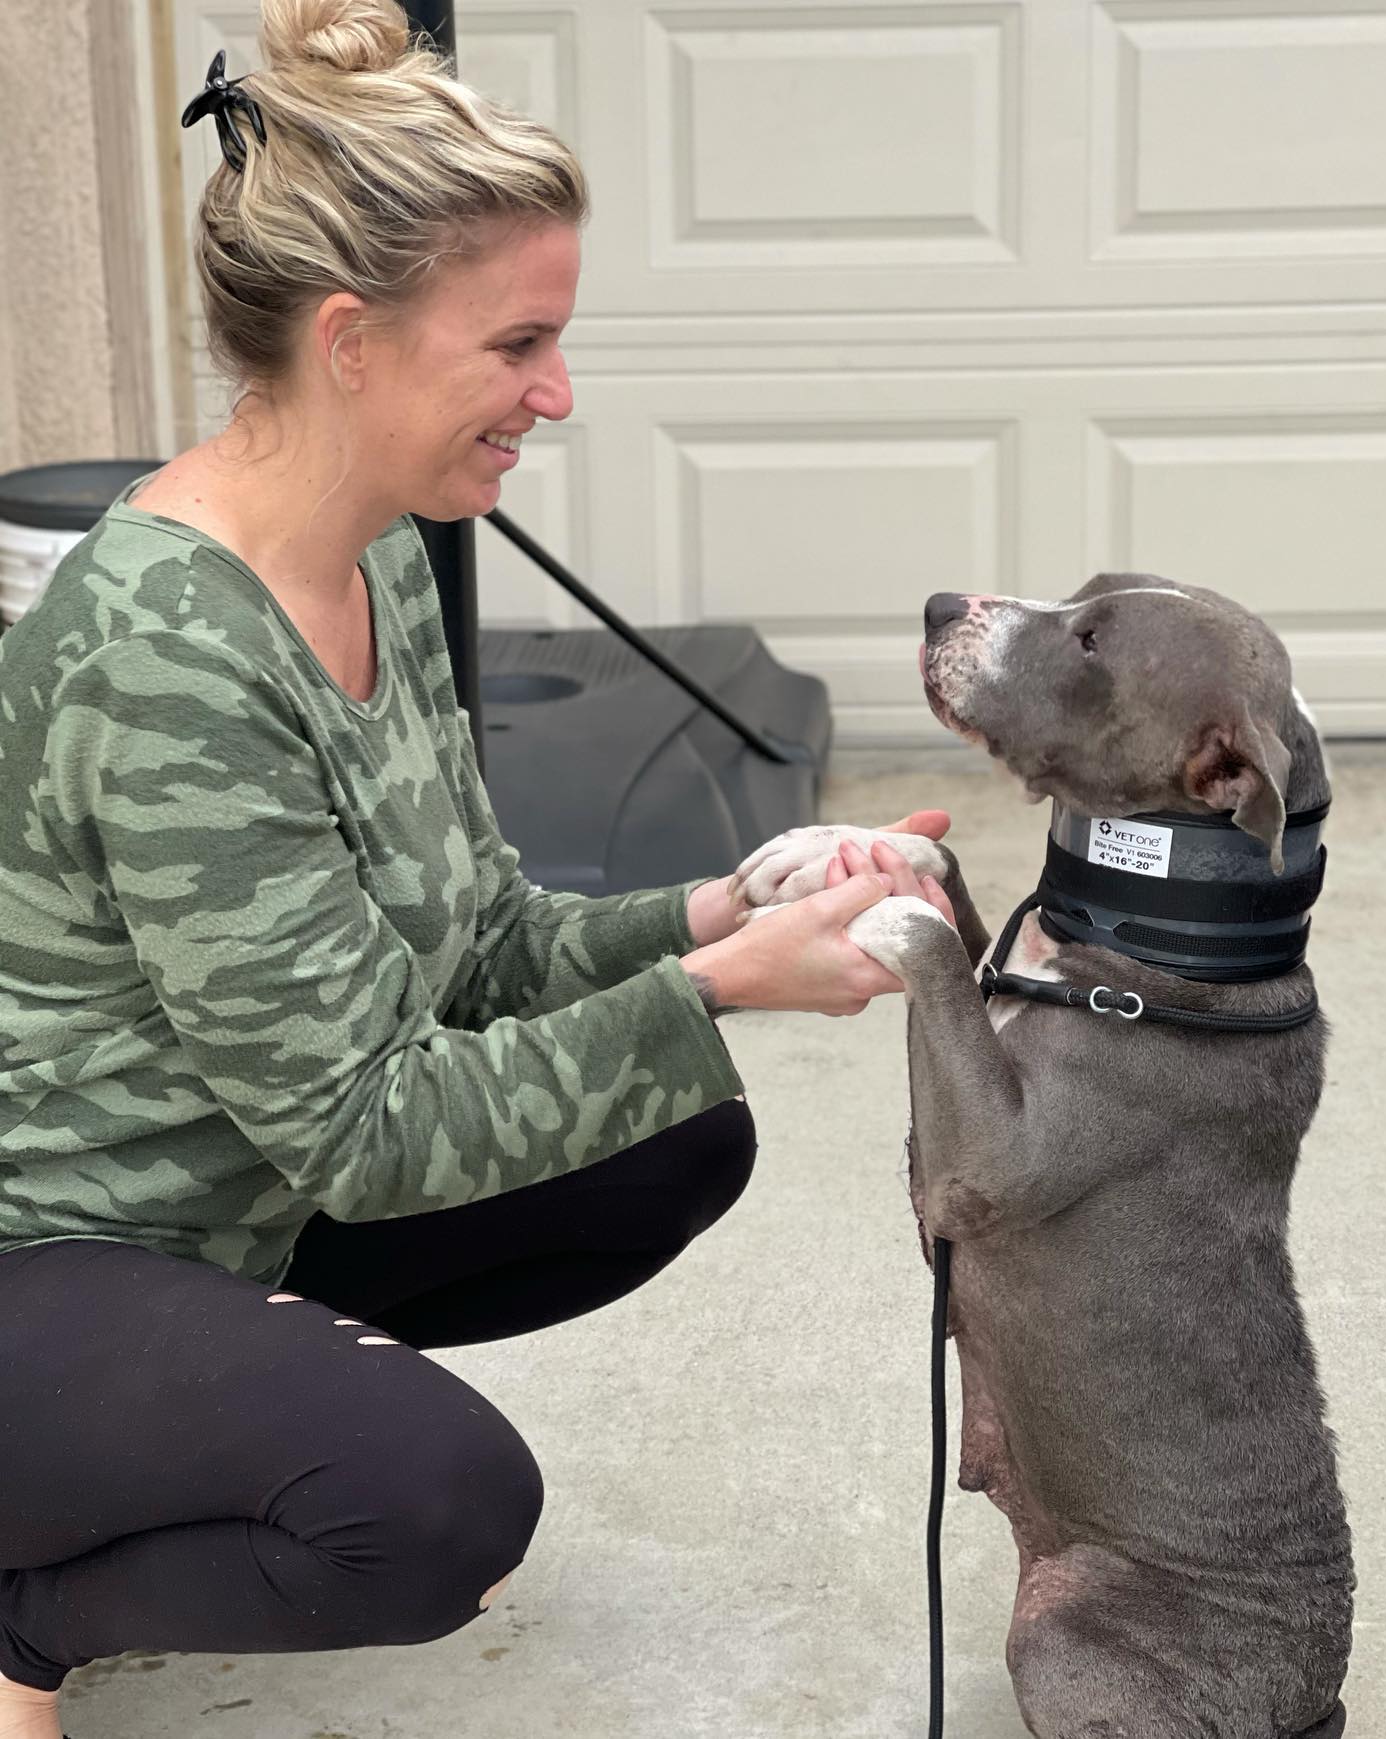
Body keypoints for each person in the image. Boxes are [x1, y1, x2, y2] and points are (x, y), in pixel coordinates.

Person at [0, 3, 956, 1732]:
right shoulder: (168, 653)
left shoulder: (376, 564)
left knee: (672, 1129)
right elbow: (366, 1131)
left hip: (220, 1202)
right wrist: (721, 988)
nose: (559, 394)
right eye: (519, 343)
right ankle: (20, 1616)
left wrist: (724, 909)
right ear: (352, 340)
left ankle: (192, 1408)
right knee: (427, 1511)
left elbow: (479, 941)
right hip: (41, 1245)